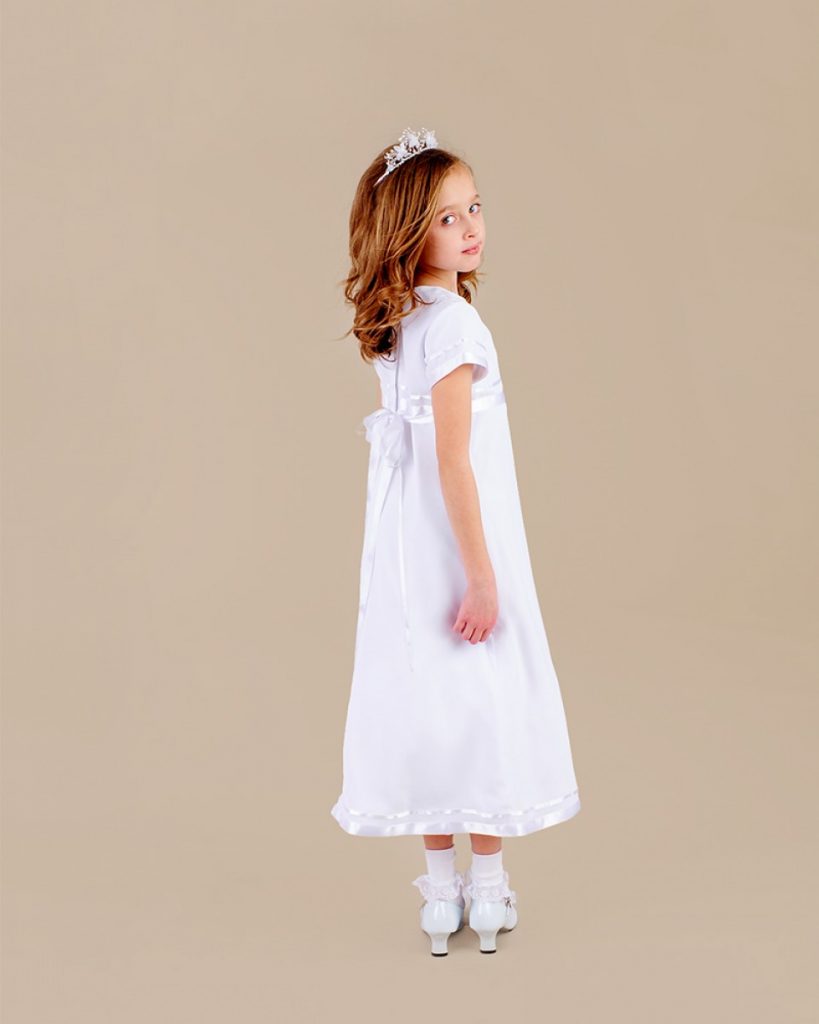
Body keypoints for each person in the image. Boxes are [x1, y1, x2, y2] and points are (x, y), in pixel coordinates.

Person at [329, 127, 581, 956]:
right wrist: (481, 575)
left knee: (425, 698)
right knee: (480, 696)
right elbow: (453, 459)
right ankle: (488, 886)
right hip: (456, 542)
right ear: (407, 231)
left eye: (474, 208)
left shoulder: (403, 318)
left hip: (405, 544)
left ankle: (441, 893)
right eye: (446, 218)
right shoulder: (457, 327)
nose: (470, 228)